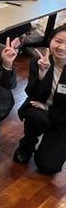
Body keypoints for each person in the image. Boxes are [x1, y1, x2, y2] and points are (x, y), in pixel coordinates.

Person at [14, 25, 66, 174]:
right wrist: (42, 74)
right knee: (36, 117)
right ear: (51, 40)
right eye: (58, 41)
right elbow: (31, 93)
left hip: (63, 120)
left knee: (48, 166)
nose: (62, 47)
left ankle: (50, 142)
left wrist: (48, 109)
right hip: (38, 109)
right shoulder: (40, 60)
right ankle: (27, 145)